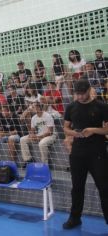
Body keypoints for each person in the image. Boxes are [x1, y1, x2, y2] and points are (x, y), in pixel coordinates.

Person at [63, 79, 108, 229]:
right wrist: (75, 133)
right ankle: (75, 218)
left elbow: (106, 130)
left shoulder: (101, 106)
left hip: (97, 153)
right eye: (78, 94)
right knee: (77, 187)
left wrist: (92, 130)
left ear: (89, 90)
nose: (81, 97)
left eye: (83, 93)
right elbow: (66, 129)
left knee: (104, 187)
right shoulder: (71, 107)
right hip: (77, 153)